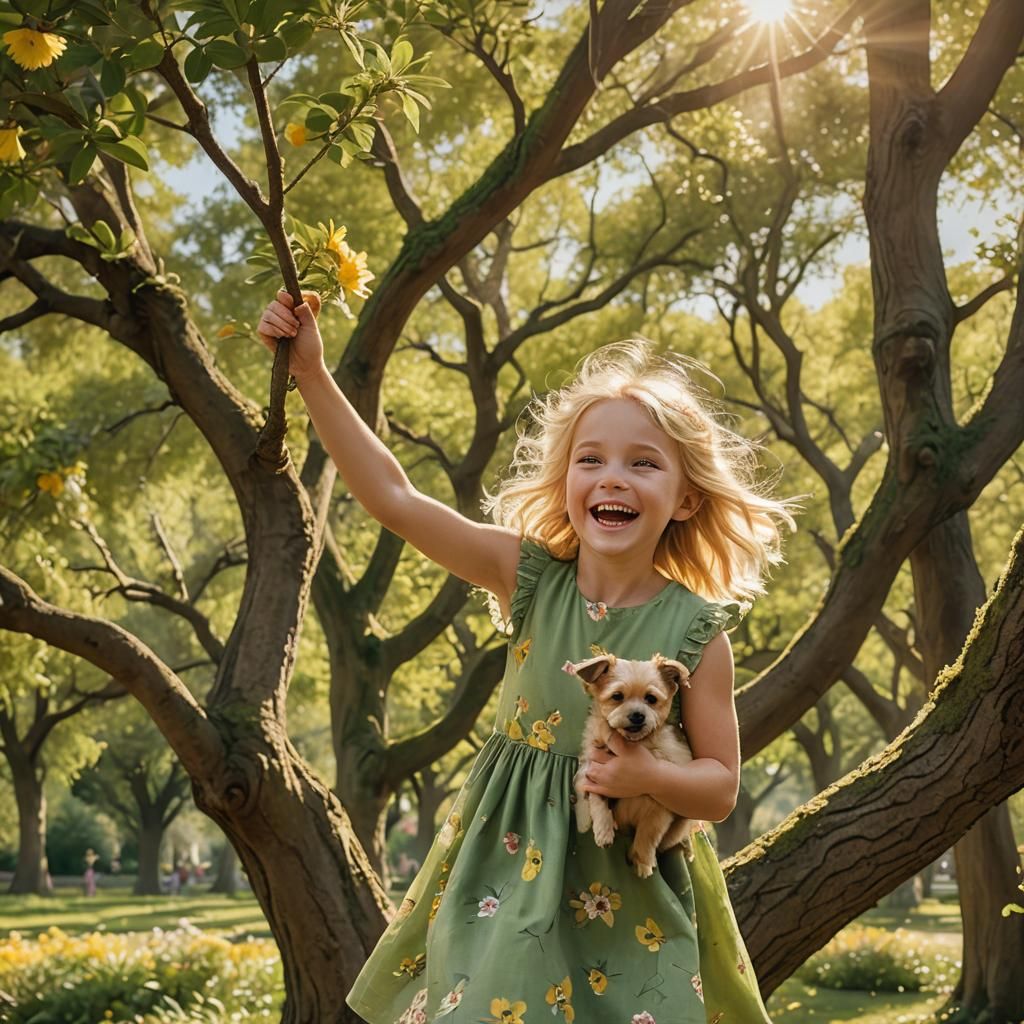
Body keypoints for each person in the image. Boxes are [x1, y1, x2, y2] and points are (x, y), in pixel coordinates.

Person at [257, 291, 798, 1024]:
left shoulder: (697, 633)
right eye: (591, 459)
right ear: (568, 483)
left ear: (685, 501)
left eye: (643, 463)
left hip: (632, 883)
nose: (612, 476)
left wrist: (646, 773)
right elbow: (393, 497)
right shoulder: (530, 576)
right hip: (510, 866)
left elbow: (721, 787)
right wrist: (311, 373)